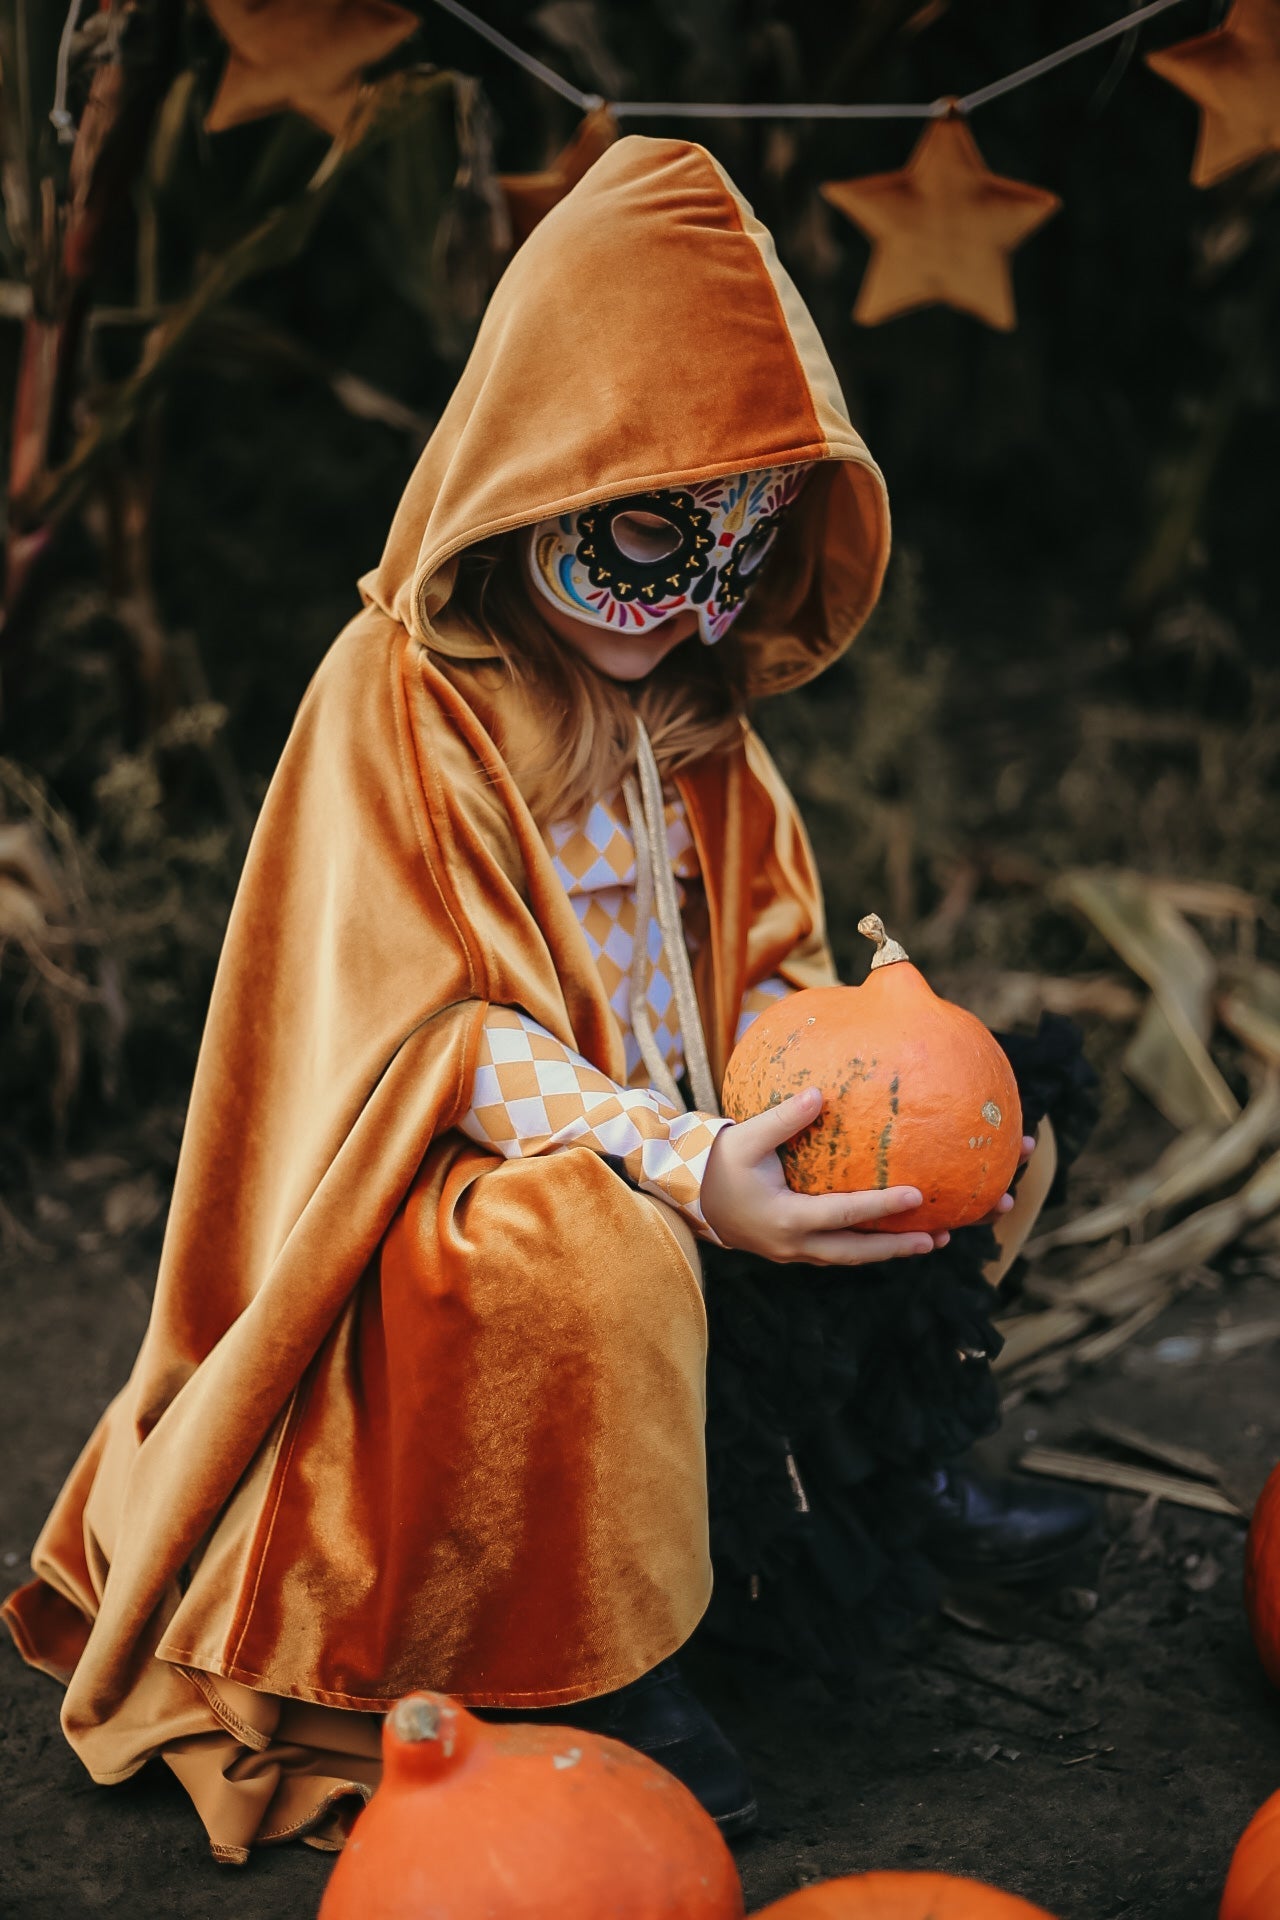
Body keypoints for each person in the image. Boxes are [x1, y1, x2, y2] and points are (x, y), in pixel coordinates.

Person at [3, 135, 1095, 1862]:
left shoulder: (697, 718)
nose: (696, 599)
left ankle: (874, 1478)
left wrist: (854, 1048)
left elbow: (759, 956)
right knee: (583, 1251)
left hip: (695, 1137)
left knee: (964, 1106)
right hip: (468, 1187)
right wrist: (674, 1159)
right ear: (540, 476)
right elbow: (435, 1040)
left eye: (747, 545)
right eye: (658, 533)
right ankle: (579, 1667)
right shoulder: (402, 705)